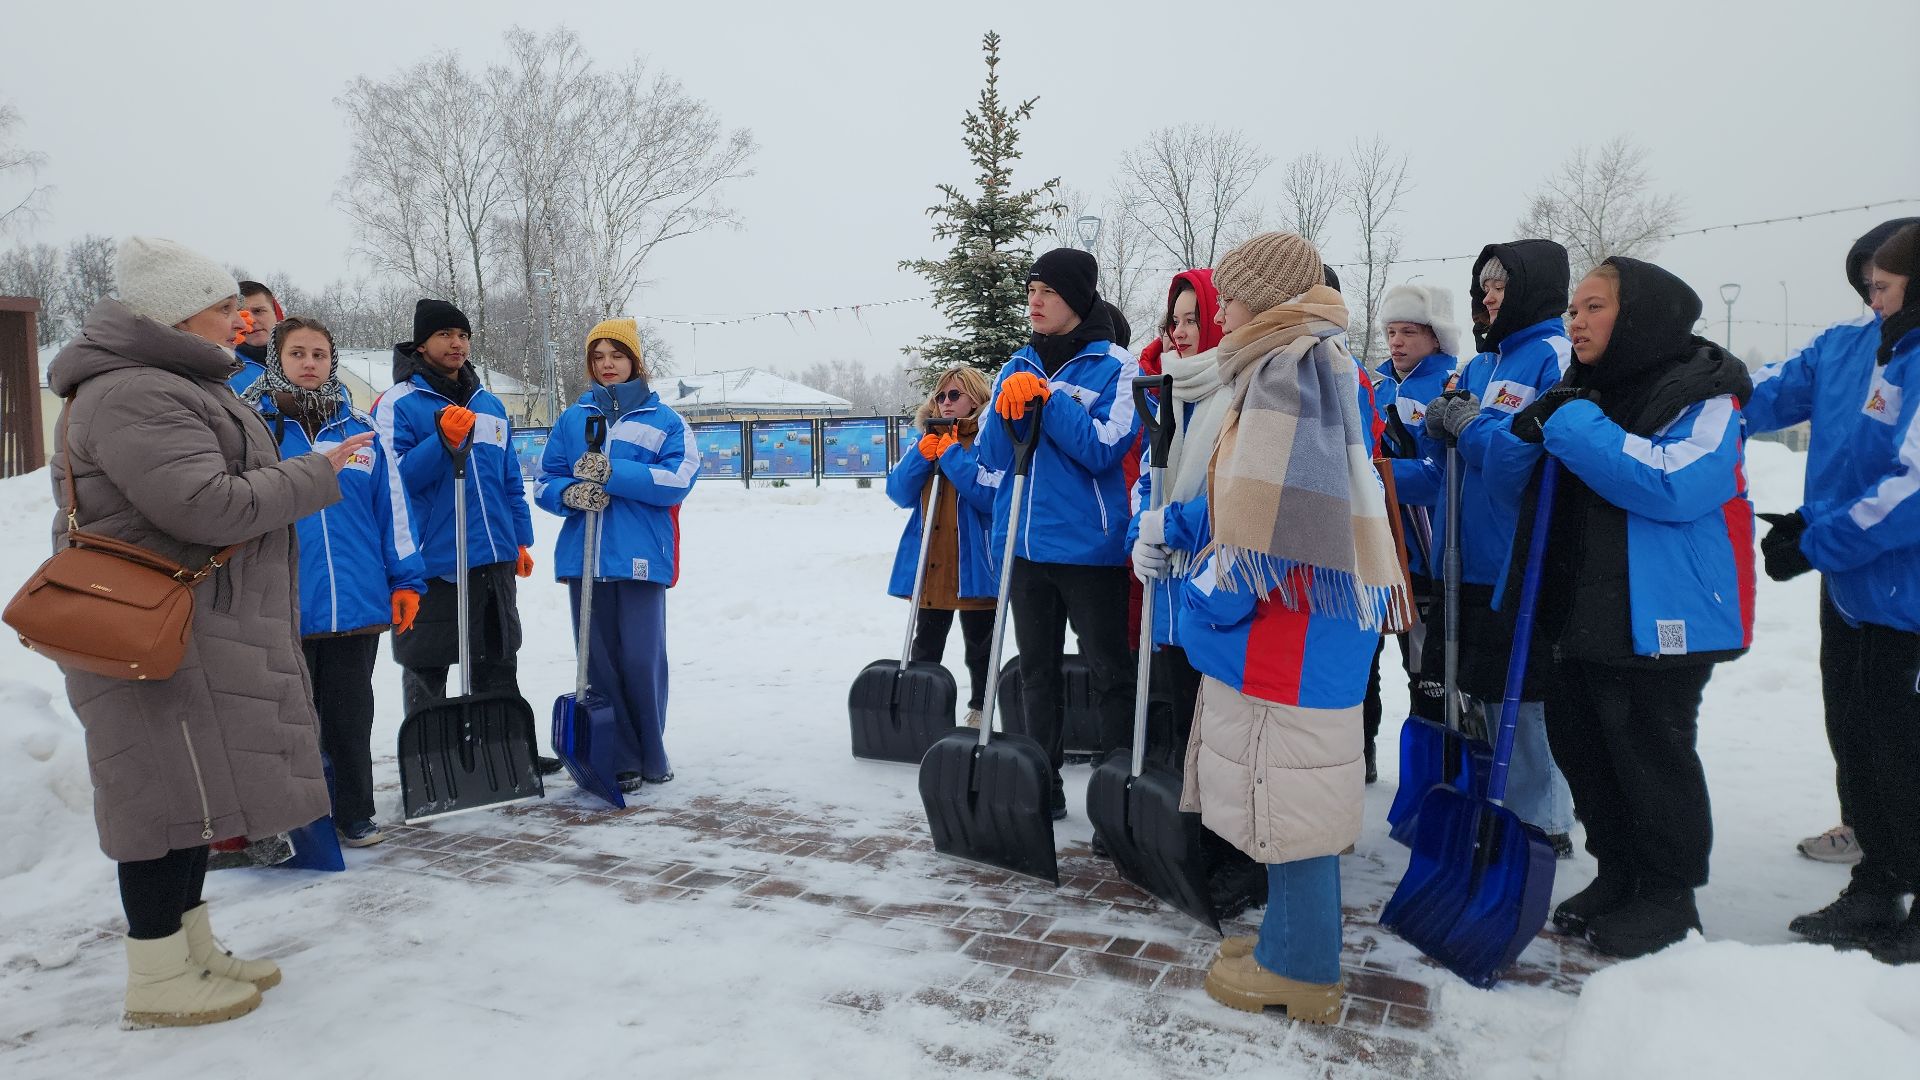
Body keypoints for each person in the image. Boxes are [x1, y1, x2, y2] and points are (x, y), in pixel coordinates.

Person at [45, 236, 368, 1027]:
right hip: (152, 625)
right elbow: (203, 504)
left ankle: (190, 947)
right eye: (226, 305)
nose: (243, 317)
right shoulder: (134, 394)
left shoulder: (175, 382)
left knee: (190, 790)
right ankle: (155, 975)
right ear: (175, 312)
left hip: (193, 621)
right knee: (157, 797)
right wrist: (316, 472)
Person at [1484, 257, 1754, 958]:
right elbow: (1514, 482)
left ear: (1639, 316)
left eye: (1594, 306)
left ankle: (1668, 896)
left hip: (1657, 614)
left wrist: (1571, 424)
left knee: (1648, 753)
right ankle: (1618, 872)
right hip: (1577, 607)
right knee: (1586, 746)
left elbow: (1674, 483)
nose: (1576, 320)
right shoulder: (1581, 387)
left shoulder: (1702, 390)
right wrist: (1526, 431)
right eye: (1572, 308)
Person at [1169, 232, 1402, 1021]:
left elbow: (1261, 535)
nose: (1221, 309)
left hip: (1289, 634)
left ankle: (1301, 970)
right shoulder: (1309, 359)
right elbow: (1261, 494)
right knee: (1298, 797)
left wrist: (1201, 602)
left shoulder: (1283, 372)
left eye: (1231, 296)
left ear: (1263, 300)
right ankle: (1288, 942)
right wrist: (1186, 517)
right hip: (1317, 625)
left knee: (1291, 806)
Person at [1746, 217, 1920, 866]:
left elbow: (1908, 486)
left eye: (1884, 282)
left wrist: (1821, 541)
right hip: (1849, 569)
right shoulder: (1844, 345)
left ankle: (1895, 860)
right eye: (1865, 283)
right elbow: (1759, 400)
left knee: (1899, 735)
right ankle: (1872, 847)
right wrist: (1697, 384)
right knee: (1854, 720)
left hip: (1898, 572)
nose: (1872, 298)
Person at [1419, 241, 1577, 854]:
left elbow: (1521, 464)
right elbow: (1450, 464)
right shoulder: (1483, 366)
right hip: (1465, 555)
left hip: (1521, 556)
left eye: (1500, 284)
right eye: (1482, 284)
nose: (1487, 296)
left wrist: (1469, 425)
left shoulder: (1552, 358)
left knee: (1528, 693)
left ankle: (1544, 817)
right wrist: (1437, 429)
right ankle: (1493, 801)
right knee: (1481, 687)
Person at [972, 247, 1141, 818]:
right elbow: (992, 459)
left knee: (1110, 672)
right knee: (1035, 675)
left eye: (1047, 291)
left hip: (1090, 549)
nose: (1035, 302)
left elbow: (1103, 449)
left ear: (1076, 297)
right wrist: (1005, 406)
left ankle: (1117, 796)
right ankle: (1042, 789)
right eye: (1030, 291)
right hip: (1025, 544)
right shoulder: (1014, 365)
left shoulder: (1118, 366)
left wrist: (1051, 400)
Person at [254, 316, 424, 847]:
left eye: (319, 355)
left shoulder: (361, 433)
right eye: (297, 354)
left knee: (350, 717)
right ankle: (297, 819)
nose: (309, 364)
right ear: (276, 360)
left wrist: (406, 581)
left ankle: (354, 812)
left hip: (355, 599)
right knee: (290, 720)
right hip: (284, 602)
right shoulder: (256, 432)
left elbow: (393, 513)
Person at [375, 299, 554, 771]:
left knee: (497, 658)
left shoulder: (489, 404)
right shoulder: (399, 404)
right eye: (444, 335)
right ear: (421, 344)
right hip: (432, 561)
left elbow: (509, 478)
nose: (456, 343)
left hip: (491, 555)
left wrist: (519, 538)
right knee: (428, 664)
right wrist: (442, 444)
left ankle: (507, 751)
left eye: (463, 335)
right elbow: (392, 481)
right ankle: (433, 760)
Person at [536, 318, 698, 790]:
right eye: (598, 356)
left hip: (639, 557)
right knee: (597, 662)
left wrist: (613, 472)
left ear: (635, 361)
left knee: (641, 661)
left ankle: (651, 751)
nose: (607, 365)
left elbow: (678, 480)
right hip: (583, 559)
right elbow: (544, 480)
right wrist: (569, 495)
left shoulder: (665, 421)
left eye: (617, 355)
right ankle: (620, 758)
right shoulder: (572, 418)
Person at [1359, 284, 1462, 778]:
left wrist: (1370, 474)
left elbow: (1441, 476)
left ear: (1435, 335)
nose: (1396, 342)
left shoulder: (1450, 385)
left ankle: (1436, 775)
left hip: (1424, 555)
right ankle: (1359, 758)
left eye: (1409, 331)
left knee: (1426, 672)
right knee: (1361, 665)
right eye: (1390, 331)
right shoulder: (1373, 386)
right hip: (1371, 551)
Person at [1127, 268, 1223, 763]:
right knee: (1180, 719)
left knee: (1213, 731)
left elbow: (1234, 495)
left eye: (1194, 319)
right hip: (1168, 590)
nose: (1180, 333)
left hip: (1216, 591)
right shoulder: (1171, 396)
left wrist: (1168, 526)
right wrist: (1138, 538)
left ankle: (1205, 832)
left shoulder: (1235, 396)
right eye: (1175, 321)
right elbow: (1149, 482)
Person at [884, 363, 997, 726]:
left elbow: (988, 495)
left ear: (975, 399)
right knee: (926, 644)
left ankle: (981, 707)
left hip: (974, 563)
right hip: (932, 563)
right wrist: (922, 455)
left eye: (954, 395)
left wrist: (952, 456)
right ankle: (921, 707)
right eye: (940, 396)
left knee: (980, 646)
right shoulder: (925, 440)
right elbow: (898, 492)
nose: (945, 402)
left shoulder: (987, 440)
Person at [228, 280, 282, 397]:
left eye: (258, 311)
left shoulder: (309, 359)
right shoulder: (226, 371)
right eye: (242, 314)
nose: (251, 321)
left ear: (276, 314)